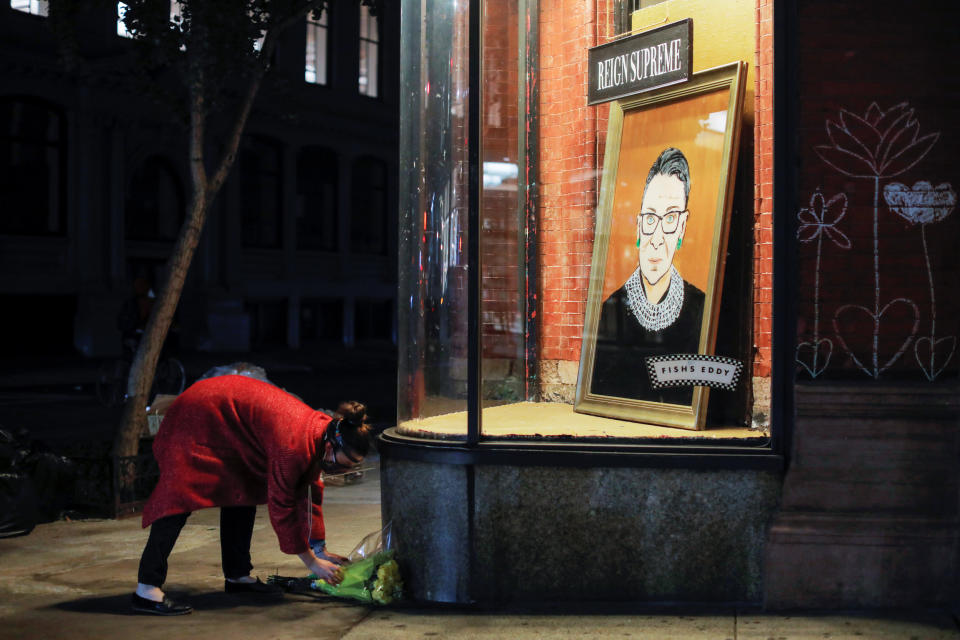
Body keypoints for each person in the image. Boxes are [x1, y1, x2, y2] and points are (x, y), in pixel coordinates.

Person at [130, 375, 372, 616]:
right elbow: (282, 505)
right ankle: (147, 589)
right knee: (178, 498)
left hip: (232, 423)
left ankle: (237, 576)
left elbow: (309, 490)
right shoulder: (293, 445)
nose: (346, 471)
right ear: (331, 448)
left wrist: (319, 549)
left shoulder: (325, 431)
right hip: (199, 414)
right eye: (345, 464)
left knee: (242, 489)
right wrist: (311, 562)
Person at [591, 147, 705, 405]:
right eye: (651, 218)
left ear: (682, 227)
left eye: (671, 218)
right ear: (639, 224)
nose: (656, 239)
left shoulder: (700, 307)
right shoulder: (611, 306)